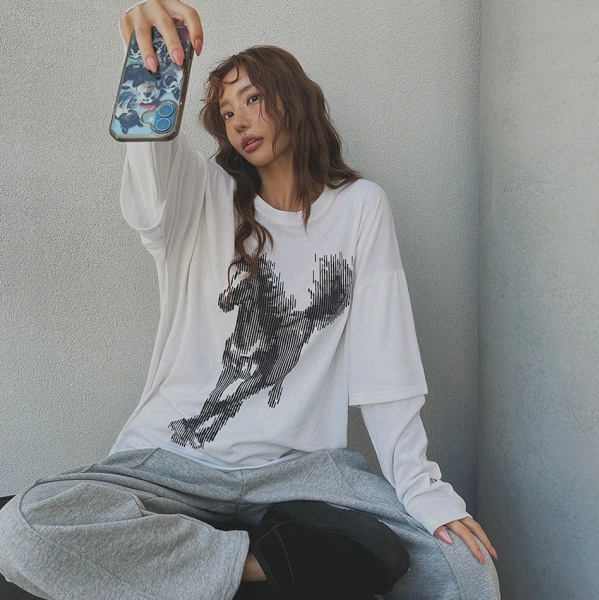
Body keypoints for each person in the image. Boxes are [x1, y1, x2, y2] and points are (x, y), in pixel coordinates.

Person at [0, 0, 500, 598]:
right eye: (226, 111)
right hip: (176, 462)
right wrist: (153, 69)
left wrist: (423, 489)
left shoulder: (360, 206)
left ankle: (203, 564)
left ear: (294, 98)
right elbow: (149, 182)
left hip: (302, 474)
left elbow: (383, 364)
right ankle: (261, 565)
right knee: (21, 529)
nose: (239, 120)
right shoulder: (201, 194)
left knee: (465, 573)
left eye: (253, 98)